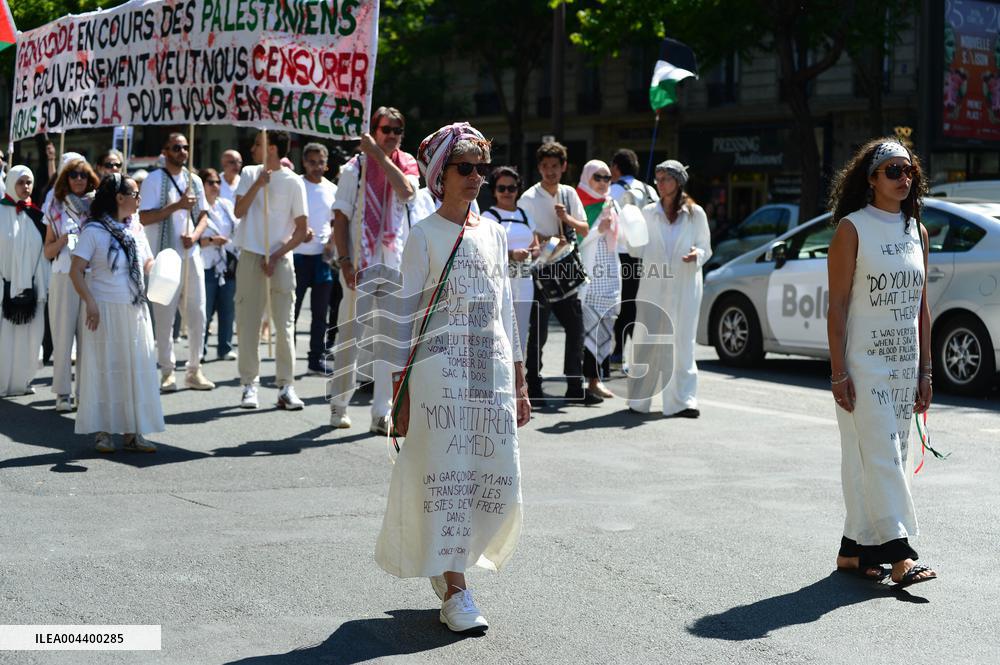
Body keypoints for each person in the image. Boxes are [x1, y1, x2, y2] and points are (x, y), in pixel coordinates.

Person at [376, 122, 530, 634]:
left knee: (493, 478)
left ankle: (448, 566)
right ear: (441, 175)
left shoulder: (495, 232)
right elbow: (403, 318)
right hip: (438, 378)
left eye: (481, 168)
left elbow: (506, 311)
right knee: (449, 480)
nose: (477, 177)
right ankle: (457, 589)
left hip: (491, 374)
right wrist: (397, 393)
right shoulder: (423, 235)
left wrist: (520, 382)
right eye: (465, 168)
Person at [826, 138, 937, 589]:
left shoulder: (917, 232)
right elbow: (836, 307)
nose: (904, 177)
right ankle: (900, 555)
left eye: (909, 170)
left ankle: (854, 551)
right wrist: (838, 372)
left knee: (879, 456)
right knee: (882, 453)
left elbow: (921, 307)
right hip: (864, 361)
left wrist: (926, 371)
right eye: (893, 170)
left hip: (904, 363)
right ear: (871, 178)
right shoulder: (852, 229)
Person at [329, 106, 419, 433]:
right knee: (351, 336)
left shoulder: (406, 163)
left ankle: (382, 412)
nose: (392, 135)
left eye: (397, 130)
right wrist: (345, 261)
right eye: (386, 129)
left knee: (390, 342)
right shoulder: (354, 168)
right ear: (374, 130)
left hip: (394, 263)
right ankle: (339, 404)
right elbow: (340, 218)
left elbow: (406, 192)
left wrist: (380, 156)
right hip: (360, 264)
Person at [69, 174, 162, 453]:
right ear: (120, 198)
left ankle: (133, 432)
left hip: (134, 307)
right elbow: (76, 271)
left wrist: (164, 269)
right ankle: (103, 431)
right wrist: (90, 302)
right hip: (104, 309)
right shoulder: (94, 230)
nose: (139, 199)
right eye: (135, 194)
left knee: (135, 368)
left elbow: (147, 262)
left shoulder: (136, 228)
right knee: (105, 368)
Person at [626, 160, 711, 418]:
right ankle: (640, 400)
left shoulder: (695, 214)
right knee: (647, 340)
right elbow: (636, 250)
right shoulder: (648, 212)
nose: (660, 184)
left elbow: (705, 247)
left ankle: (683, 401)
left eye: (665, 179)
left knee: (683, 342)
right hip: (653, 285)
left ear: (678, 182)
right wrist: (628, 228)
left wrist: (697, 255)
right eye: (658, 179)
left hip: (684, 285)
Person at [232, 129, 309, 410]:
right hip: (251, 256)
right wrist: (258, 185)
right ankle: (249, 385)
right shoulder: (249, 173)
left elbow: (302, 229)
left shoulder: (294, 181)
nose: (253, 148)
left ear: (272, 148)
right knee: (248, 324)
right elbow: (238, 211)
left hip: (281, 259)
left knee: (284, 325)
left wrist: (277, 255)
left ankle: (286, 386)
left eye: (258, 144)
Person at [516, 141, 595, 406]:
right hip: (541, 271)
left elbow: (584, 229)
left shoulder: (569, 194)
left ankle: (574, 386)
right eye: (545, 166)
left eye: (555, 166)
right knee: (538, 332)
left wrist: (566, 218)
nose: (550, 171)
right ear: (539, 168)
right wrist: (549, 240)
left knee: (576, 328)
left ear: (563, 167)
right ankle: (534, 386)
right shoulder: (528, 198)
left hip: (567, 269)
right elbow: (528, 234)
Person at [139, 132, 215, 392]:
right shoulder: (153, 180)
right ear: (165, 151)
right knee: (164, 316)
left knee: (198, 314)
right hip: (165, 259)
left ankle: (194, 369)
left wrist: (195, 236)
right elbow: (144, 217)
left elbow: (203, 215)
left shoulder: (194, 180)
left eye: (185, 147)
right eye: (176, 147)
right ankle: (167, 371)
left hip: (191, 255)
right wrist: (177, 205)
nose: (182, 151)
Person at [43, 158, 99, 411]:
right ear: (66, 179)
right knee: (63, 337)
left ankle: (84, 393)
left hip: (90, 277)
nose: (78, 179)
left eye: (83, 175)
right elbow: (47, 251)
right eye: (73, 175)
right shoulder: (55, 207)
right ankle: (62, 393)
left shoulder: (98, 207)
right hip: (64, 276)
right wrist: (64, 240)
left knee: (88, 338)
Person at [576, 160, 623, 400]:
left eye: (607, 178)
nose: (603, 182)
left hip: (610, 275)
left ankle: (597, 380)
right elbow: (576, 242)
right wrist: (599, 230)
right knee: (589, 331)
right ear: (587, 177)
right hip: (590, 278)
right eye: (598, 177)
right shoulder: (579, 202)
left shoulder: (611, 203)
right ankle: (588, 381)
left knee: (605, 329)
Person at [0, 166, 49, 397]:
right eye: (20, 182)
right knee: (4, 335)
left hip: (32, 287)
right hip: (3, 286)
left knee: (30, 336)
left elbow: (44, 253)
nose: (25, 187)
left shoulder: (38, 216)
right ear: (11, 183)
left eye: (29, 182)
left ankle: (23, 380)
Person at [609, 149, 658, 369]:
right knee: (637, 304)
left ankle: (619, 351)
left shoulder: (612, 190)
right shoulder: (649, 189)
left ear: (616, 167)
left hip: (621, 254)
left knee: (621, 304)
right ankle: (628, 351)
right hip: (646, 255)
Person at [483, 166, 537, 359]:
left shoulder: (525, 215)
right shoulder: (487, 217)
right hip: (499, 280)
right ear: (494, 191)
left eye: (512, 188)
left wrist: (542, 250)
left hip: (525, 279)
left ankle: (518, 374)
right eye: (501, 188)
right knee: (501, 329)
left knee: (521, 330)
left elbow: (535, 246)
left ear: (518, 190)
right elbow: (484, 252)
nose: (507, 192)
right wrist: (511, 254)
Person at [294, 143, 338, 376]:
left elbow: (336, 222)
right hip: (297, 256)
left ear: (326, 163)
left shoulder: (332, 189)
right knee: (291, 312)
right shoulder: (296, 185)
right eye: (312, 162)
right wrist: (299, 230)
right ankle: (288, 359)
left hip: (322, 259)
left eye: (321, 162)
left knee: (320, 315)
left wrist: (332, 241)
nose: (317, 167)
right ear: (304, 162)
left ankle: (315, 360)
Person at [197, 168, 240, 362]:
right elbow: (190, 239)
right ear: (202, 185)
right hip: (205, 264)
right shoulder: (196, 209)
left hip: (227, 263)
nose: (215, 186)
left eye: (218, 182)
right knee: (204, 310)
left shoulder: (226, 205)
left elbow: (237, 229)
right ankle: (200, 350)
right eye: (210, 182)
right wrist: (212, 241)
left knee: (227, 308)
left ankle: (225, 347)